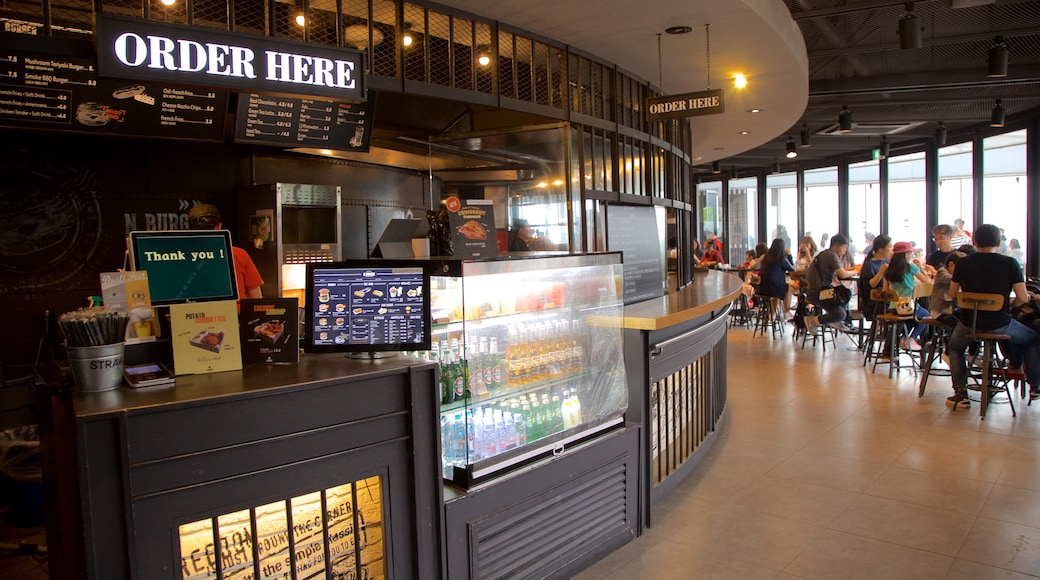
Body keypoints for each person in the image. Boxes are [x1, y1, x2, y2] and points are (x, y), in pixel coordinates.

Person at [945, 224, 1040, 408]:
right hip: (1001, 324)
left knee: (955, 348)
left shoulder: (963, 263)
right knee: (1033, 338)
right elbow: (1022, 297)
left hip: (968, 324)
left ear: (975, 242)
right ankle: (1035, 386)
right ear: (998, 242)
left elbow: (952, 293)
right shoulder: (1010, 263)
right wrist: (1008, 304)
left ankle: (960, 393)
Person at [188, 203, 263, 300]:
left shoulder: (181, 257)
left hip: (195, 314)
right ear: (219, 226)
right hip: (236, 314)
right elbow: (256, 299)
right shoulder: (238, 254)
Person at [804, 233, 860, 333]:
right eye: (843, 248)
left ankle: (833, 320)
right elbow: (842, 274)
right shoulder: (832, 255)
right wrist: (857, 271)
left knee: (845, 294)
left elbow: (840, 272)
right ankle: (814, 320)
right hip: (818, 293)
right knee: (841, 313)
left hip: (814, 291)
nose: (845, 251)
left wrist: (853, 269)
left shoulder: (824, 254)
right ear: (835, 246)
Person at [883, 241, 931, 350]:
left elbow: (886, 291)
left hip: (893, 307)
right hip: (908, 307)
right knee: (926, 315)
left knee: (908, 320)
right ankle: (911, 339)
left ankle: (895, 345)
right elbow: (927, 282)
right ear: (906, 254)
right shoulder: (910, 267)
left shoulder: (888, 269)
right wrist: (920, 267)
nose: (912, 255)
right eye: (911, 253)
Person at [859, 234, 892, 319]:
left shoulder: (886, 261)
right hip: (875, 304)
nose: (891, 250)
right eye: (889, 247)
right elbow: (870, 285)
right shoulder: (869, 265)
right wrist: (881, 272)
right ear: (881, 249)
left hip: (885, 299)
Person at [930, 251, 965, 326]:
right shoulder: (942, 272)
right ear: (951, 265)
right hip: (939, 311)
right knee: (959, 325)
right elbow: (953, 280)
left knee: (966, 320)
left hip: (950, 309)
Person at [756, 238, 795, 305]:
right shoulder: (781, 258)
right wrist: (789, 255)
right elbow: (792, 269)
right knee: (788, 288)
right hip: (774, 288)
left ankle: (772, 312)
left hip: (761, 287)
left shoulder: (766, 257)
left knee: (779, 286)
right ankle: (785, 312)